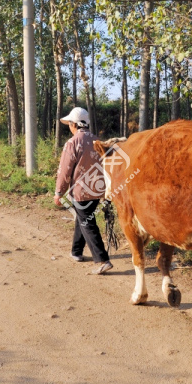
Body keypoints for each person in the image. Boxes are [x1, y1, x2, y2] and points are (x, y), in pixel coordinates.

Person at [54, 107, 113, 275]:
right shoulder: (98, 142)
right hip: (97, 190)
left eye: (69, 124)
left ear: (74, 124)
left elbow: (65, 170)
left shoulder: (73, 143)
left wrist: (59, 192)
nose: (69, 127)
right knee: (84, 219)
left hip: (80, 192)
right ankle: (76, 251)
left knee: (87, 223)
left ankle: (103, 259)